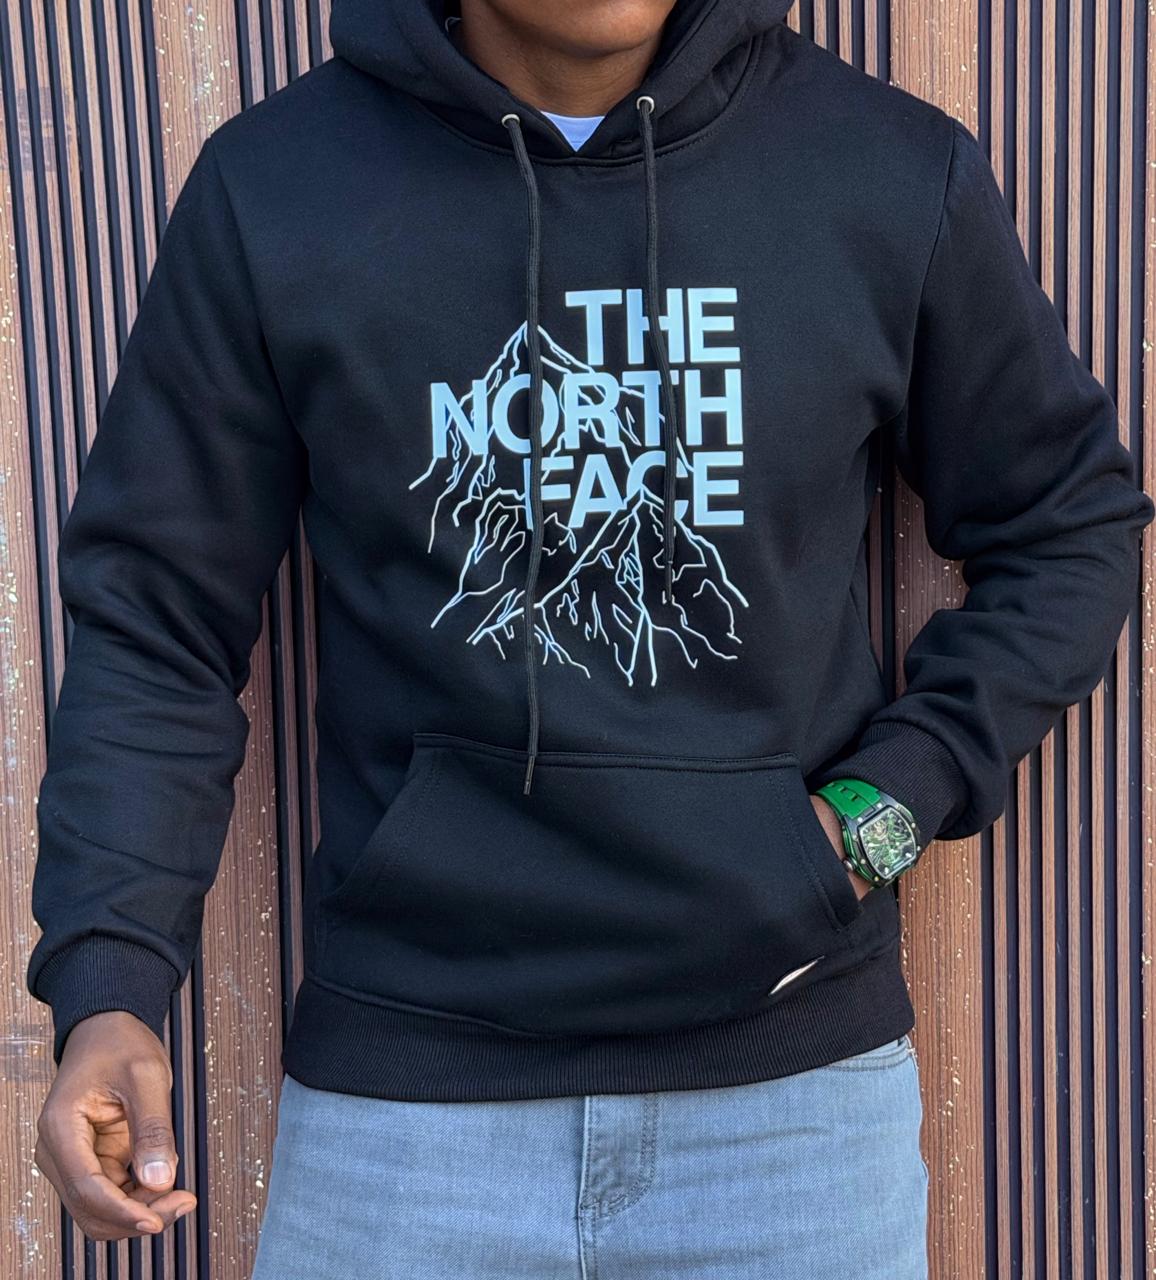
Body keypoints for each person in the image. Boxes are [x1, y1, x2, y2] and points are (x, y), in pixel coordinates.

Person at [26, 1, 1154, 1276]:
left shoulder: (884, 169)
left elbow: (1069, 529)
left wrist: (874, 814)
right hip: (403, 1113)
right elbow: (157, 617)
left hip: (790, 1117)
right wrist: (109, 980)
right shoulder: (278, 188)